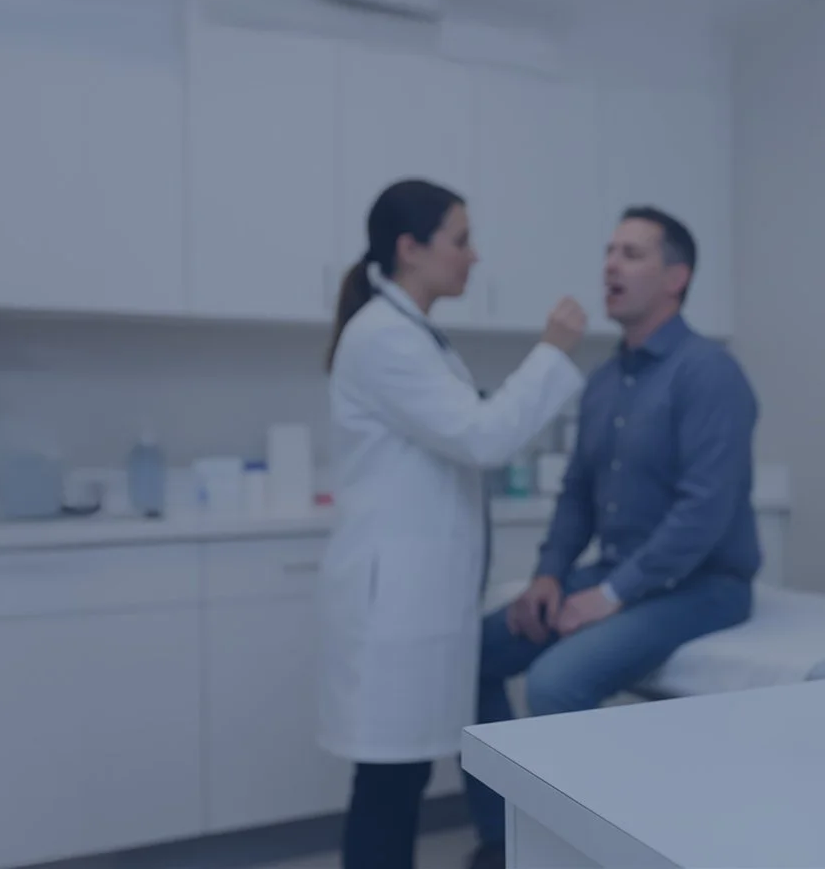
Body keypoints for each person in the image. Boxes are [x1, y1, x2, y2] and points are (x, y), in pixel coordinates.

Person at [463, 207, 759, 869]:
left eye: (631, 253)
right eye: (608, 251)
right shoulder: (602, 383)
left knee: (554, 681)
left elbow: (703, 513)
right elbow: (576, 498)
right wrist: (549, 574)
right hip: (621, 570)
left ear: (676, 276)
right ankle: (502, 839)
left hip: (705, 583)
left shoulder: (709, 373)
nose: (609, 266)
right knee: (472, 652)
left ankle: (578, 851)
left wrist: (609, 595)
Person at [318, 180, 588, 869]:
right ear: (411, 248)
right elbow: (482, 437)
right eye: (460, 239)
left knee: (398, 777)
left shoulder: (413, 335)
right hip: (394, 601)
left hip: (416, 594)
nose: (473, 256)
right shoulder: (383, 338)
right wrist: (553, 350)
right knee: (388, 781)